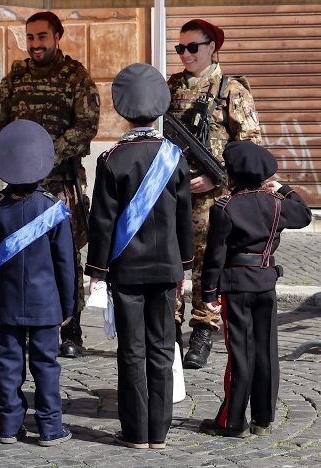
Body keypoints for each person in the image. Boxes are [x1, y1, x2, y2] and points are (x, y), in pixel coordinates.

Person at [85, 63, 194, 449]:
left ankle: (135, 433)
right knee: (162, 348)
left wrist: (97, 271)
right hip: (166, 269)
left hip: (126, 271)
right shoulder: (175, 157)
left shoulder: (112, 159)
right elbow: (184, 219)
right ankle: (159, 433)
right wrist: (185, 269)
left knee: (131, 351)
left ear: (123, 111)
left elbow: (102, 222)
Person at [0, 11, 100, 358]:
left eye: (42, 37)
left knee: (66, 255)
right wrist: (14, 159)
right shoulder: (15, 78)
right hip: (20, 187)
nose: (35, 44)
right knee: (20, 252)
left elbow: (87, 124)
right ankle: (22, 322)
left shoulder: (76, 77)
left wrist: (47, 156)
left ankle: (71, 328)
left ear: (57, 37)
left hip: (61, 185)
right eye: (30, 37)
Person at [167, 18, 263, 369]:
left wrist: (217, 177)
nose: (186, 54)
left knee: (208, 262)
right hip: (172, 193)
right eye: (180, 48)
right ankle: (169, 329)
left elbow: (251, 145)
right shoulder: (170, 86)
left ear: (212, 47)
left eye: (193, 47)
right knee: (171, 258)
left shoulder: (231, 90)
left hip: (214, 196)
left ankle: (203, 330)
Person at [199, 140, 311, 437]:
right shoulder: (277, 203)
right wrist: (283, 188)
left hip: (236, 286)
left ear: (232, 174)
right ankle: (263, 419)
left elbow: (215, 255)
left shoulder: (225, 207)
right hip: (265, 283)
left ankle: (233, 421)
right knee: (266, 352)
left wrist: (208, 292)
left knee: (240, 353)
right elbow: (304, 214)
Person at [0, 119, 76, 446]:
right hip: (46, 305)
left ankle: (8, 426)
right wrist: (68, 305)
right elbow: (65, 264)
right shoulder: (53, 209)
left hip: (6, 304)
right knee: (46, 365)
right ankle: (50, 427)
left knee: (7, 365)